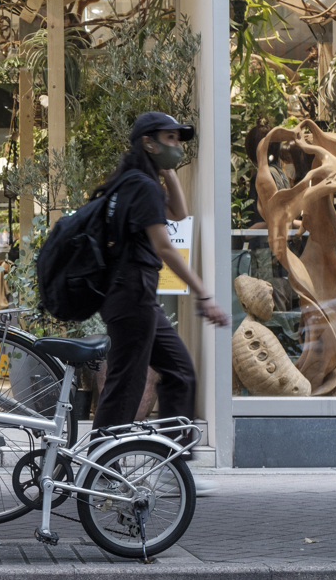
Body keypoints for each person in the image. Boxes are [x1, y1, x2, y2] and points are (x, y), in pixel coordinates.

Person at [93, 112, 229, 468]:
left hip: (135, 298)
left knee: (180, 372)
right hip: (132, 295)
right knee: (127, 384)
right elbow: (166, 247)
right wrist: (204, 294)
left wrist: (168, 171)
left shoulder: (137, 183)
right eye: (169, 139)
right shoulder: (140, 186)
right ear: (148, 143)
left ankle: (173, 466)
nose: (177, 146)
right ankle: (102, 468)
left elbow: (180, 213)